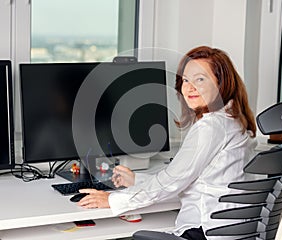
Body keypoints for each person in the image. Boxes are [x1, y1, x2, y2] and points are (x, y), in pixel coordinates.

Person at [77, 46, 257, 240]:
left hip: (204, 230)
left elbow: (173, 181)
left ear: (221, 84)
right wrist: (137, 180)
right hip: (229, 230)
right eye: (185, 80)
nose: (189, 87)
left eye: (200, 79)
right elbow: (188, 180)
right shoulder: (232, 120)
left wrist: (112, 200)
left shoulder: (211, 127)